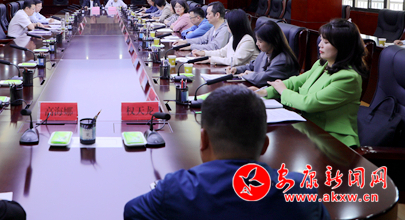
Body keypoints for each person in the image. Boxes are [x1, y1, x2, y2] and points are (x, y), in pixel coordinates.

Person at [124, 86, 329, 220]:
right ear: (265, 145)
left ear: (203, 140)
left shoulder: (176, 189)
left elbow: (131, 212)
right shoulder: (300, 190)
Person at [253, 19, 367, 147]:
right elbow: (295, 82)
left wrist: (283, 91)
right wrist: (263, 92)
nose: (320, 45)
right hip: (308, 128)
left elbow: (309, 103)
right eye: (321, 40)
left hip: (333, 139)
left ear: (343, 46)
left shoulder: (348, 78)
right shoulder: (322, 64)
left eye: (326, 42)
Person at [227, 20, 300, 86]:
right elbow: (252, 66)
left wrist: (246, 75)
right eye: (257, 40)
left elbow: (262, 79)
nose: (257, 44)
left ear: (272, 41)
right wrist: (236, 69)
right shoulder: (264, 53)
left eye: (260, 41)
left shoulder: (282, 61)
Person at [194, 9, 258, 67]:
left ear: (235, 23)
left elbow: (235, 61)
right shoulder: (234, 37)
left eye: (228, 22)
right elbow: (222, 52)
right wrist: (204, 53)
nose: (226, 24)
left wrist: (211, 60)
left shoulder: (248, 40)